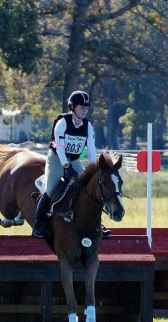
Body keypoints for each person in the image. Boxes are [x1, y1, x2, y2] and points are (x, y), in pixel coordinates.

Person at [32, 90, 109, 239]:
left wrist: (93, 168)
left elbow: (91, 149)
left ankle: (97, 225)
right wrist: (66, 167)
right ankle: (38, 224)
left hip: (74, 160)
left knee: (89, 188)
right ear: (72, 107)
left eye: (86, 108)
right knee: (50, 190)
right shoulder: (62, 123)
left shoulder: (88, 125)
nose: (85, 111)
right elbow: (59, 148)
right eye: (82, 108)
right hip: (56, 159)